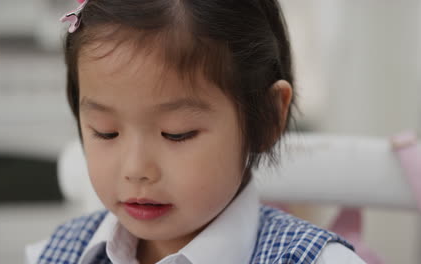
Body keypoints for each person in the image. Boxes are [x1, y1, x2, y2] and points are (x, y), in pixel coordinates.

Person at [27, 0, 366, 263]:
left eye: (177, 134)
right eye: (106, 132)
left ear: (267, 117)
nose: (136, 170)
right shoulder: (56, 254)